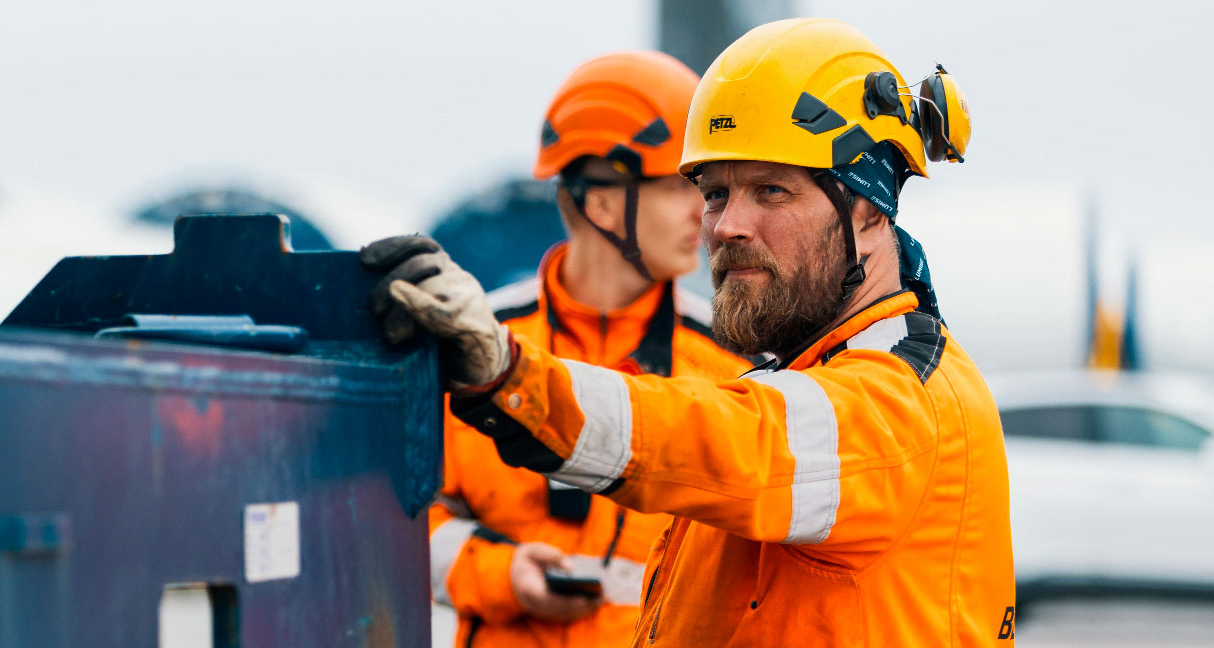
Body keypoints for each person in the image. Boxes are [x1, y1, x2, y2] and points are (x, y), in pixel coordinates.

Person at [370, 18, 1013, 645]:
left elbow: (737, 440)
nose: (725, 226)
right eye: (714, 193)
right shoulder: (800, 372)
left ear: (870, 210)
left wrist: (511, 375)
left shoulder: (901, 402)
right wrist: (494, 570)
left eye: (771, 191)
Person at [427, 50, 753, 648]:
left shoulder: (733, 367)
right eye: (684, 186)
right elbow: (401, 516)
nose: (706, 215)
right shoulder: (475, 350)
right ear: (601, 202)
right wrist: (502, 574)